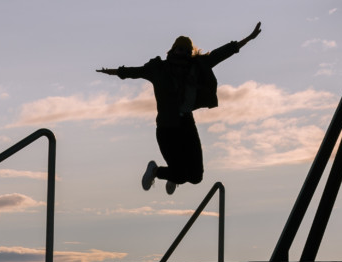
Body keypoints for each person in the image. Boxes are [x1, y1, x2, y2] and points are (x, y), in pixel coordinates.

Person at [98, 22, 261, 194]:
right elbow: (134, 72)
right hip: (167, 127)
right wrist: (112, 71)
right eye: (179, 49)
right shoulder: (159, 69)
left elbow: (222, 53)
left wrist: (248, 39)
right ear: (172, 50)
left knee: (196, 177)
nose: (182, 52)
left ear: (190, 52)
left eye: (186, 50)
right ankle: (155, 170)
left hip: (187, 125)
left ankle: (172, 176)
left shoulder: (197, 66)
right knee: (181, 175)